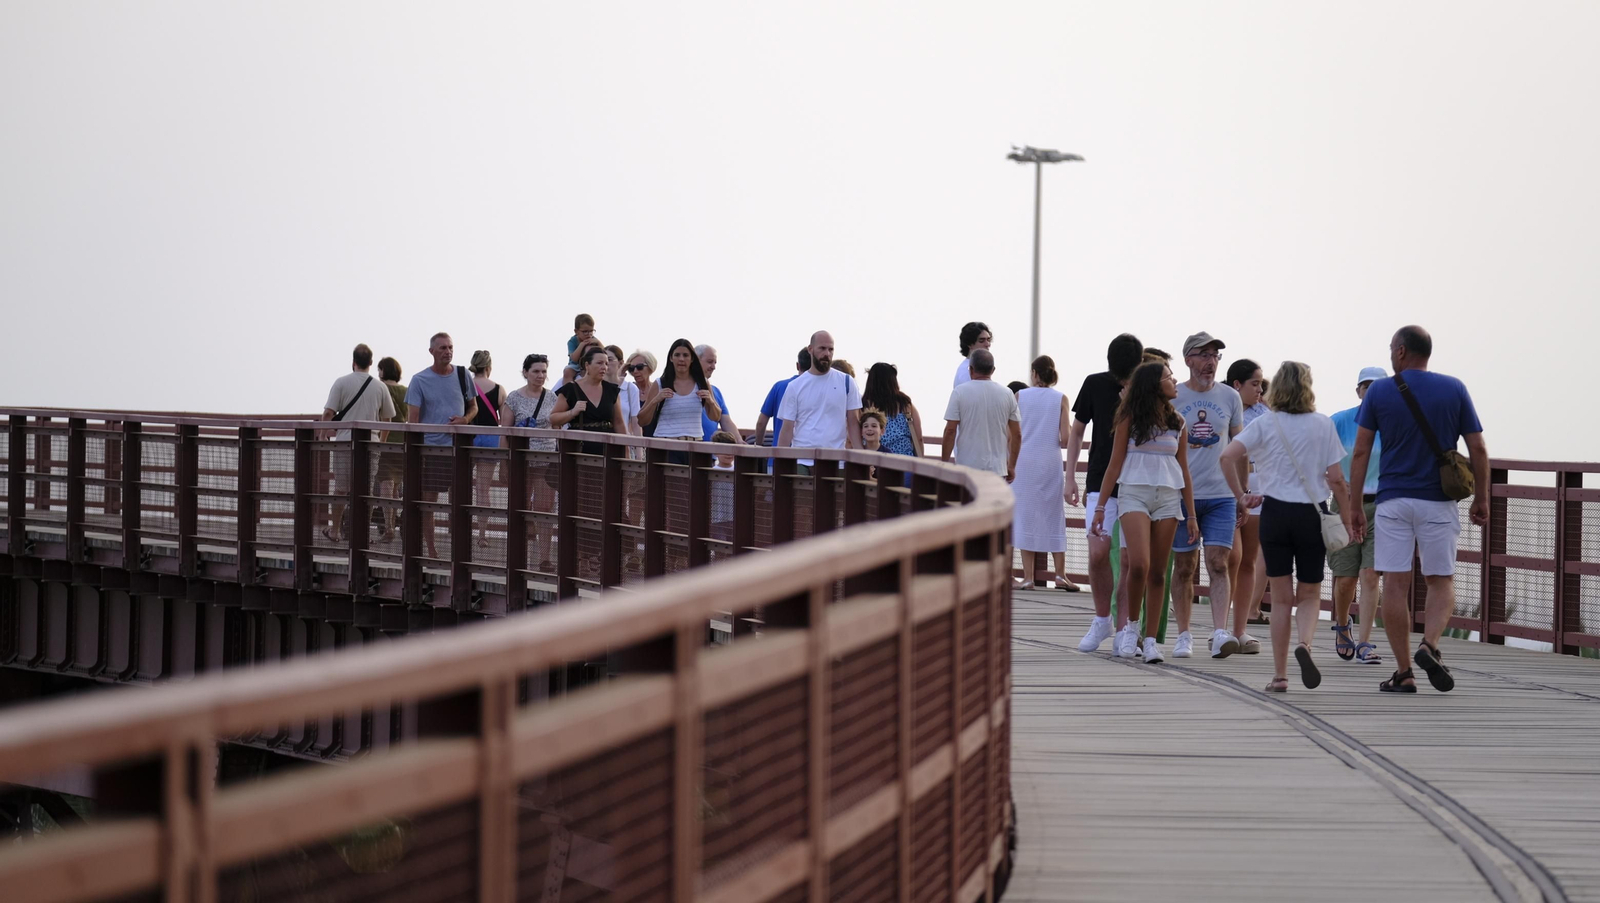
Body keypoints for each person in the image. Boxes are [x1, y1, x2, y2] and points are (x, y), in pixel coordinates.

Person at [1348, 326, 1489, 694]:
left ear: (1400, 352)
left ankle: (1404, 671)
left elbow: (1361, 450)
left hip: (1393, 500)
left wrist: (1354, 506)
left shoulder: (1379, 391)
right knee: (1440, 580)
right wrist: (1482, 497)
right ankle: (1430, 645)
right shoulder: (1454, 388)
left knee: (1395, 583)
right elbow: (1478, 449)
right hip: (1438, 501)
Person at [1222, 361, 1356, 693]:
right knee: (1309, 593)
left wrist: (1242, 495)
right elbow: (1337, 480)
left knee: (1280, 599)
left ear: (1276, 388)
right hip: (1312, 514)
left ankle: (1280, 676)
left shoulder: (1266, 424)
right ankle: (1306, 645)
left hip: (1275, 514)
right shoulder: (1323, 425)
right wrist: (1351, 518)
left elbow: (1228, 456)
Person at [1089, 359, 1196, 664]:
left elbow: (1184, 470)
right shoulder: (1130, 419)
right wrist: (1100, 507)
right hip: (1134, 493)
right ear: (1154, 385)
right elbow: (1114, 464)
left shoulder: (1179, 422)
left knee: (1160, 572)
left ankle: (1150, 641)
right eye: (1168, 377)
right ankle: (1130, 629)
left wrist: (1192, 516)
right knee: (1139, 565)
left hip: (1167, 497)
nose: (1175, 381)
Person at [1169, 331, 1248, 660]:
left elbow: (1240, 449)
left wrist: (1242, 493)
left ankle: (1219, 632)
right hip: (1181, 495)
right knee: (1185, 566)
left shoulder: (1231, 397)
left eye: (1214, 355)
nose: (1210, 361)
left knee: (1219, 563)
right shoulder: (1172, 396)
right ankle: (1184, 634)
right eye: (1202, 355)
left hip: (1221, 495)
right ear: (1188, 359)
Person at [1064, 334, 1144, 652]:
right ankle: (1102, 620)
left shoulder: (1146, 392)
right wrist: (1070, 476)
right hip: (1099, 480)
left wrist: (1133, 399)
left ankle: (1125, 628)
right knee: (1098, 553)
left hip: (1137, 482)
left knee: (1128, 558)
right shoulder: (1094, 383)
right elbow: (1077, 431)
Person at [1328, 366, 1389, 665]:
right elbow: (1319, 458)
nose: (1371, 392)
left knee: (1370, 574)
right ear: (1358, 391)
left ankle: (1365, 641)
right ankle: (1342, 625)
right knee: (1345, 578)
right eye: (1366, 387)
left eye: (1378, 387)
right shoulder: (1339, 421)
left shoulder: (1393, 423)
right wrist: (1337, 482)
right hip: (1345, 504)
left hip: (1381, 505)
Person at [406, 332, 479, 558]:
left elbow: (474, 407)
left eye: (450, 347)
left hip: (459, 449)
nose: (447, 352)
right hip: (432, 450)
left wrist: (465, 420)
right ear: (431, 352)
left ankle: (460, 550)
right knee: (429, 502)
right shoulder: (419, 380)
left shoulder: (462, 374)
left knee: (461, 503)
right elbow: (413, 421)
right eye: (442, 348)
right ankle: (431, 549)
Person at [1012, 356, 1078, 591]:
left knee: (1026, 515)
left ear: (1034, 374)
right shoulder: (1060, 398)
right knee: (1053, 515)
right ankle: (1060, 574)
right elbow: (1067, 438)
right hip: (1049, 461)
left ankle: (1028, 577)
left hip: (1024, 461)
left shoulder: (1020, 396)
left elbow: (1014, 433)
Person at [321, 343, 396, 542]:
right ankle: (361, 533)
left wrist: (321, 434)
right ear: (371, 363)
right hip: (370, 444)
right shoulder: (380, 387)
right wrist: (381, 441)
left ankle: (336, 530)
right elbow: (387, 420)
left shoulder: (341, 382)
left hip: (345, 442)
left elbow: (329, 413)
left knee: (341, 488)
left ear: (353, 361)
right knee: (366, 491)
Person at [1222, 359, 1267, 655]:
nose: (1260, 390)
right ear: (1237, 385)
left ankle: (1240, 629)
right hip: (1224, 490)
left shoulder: (1266, 414)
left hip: (1257, 490)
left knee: (1248, 559)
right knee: (1228, 559)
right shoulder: (1222, 406)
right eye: (1255, 384)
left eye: (1262, 384)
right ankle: (1221, 627)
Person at [502, 353, 557, 570]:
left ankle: (545, 558)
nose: (540, 375)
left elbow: (559, 426)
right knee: (520, 508)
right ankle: (518, 555)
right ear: (525, 372)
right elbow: (504, 432)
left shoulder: (552, 398)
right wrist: (504, 463)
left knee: (545, 509)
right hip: (521, 460)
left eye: (543, 371)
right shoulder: (514, 398)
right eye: (535, 371)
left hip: (546, 460)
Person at [777, 331, 863, 471]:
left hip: (836, 461)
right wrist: (780, 462)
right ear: (810, 349)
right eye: (822, 348)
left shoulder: (847, 382)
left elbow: (853, 422)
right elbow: (787, 428)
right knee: (801, 493)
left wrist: (861, 456)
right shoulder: (795, 386)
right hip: (802, 460)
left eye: (830, 349)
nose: (827, 354)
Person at [940, 349, 1021, 480]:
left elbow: (950, 430)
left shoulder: (959, 392)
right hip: (997, 470)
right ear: (993, 370)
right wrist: (1011, 466)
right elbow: (1017, 434)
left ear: (971, 369)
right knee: (993, 501)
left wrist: (944, 463)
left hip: (967, 468)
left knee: (969, 501)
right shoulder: (1007, 394)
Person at [639, 340, 721, 448]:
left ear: (692, 359)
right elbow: (641, 420)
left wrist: (710, 401)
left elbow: (716, 416)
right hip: (666, 445)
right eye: (677, 355)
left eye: (685, 355)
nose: (681, 359)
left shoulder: (702, 383)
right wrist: (655, 401)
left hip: (694, 445)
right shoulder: (660, 383)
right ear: (671, 358)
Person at [551, 344, 625, 455]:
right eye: (599, 363)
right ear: (587, 365)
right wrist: (572, 412)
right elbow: (553, 418)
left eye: (606, 364)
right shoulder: (571, 389)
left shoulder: (611, 390)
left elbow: (618, 423)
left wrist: (626, 451)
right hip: (578, 449)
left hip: (607, 449)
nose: (604, 367)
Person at [467, 350, 505, 548]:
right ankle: (482, 535)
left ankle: (461, 529)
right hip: (491, 438)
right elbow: (505, 419)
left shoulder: (465, 386)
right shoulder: (498, 389)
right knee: (483, 490)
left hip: (468, 437)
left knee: (460, 486)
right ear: (489, 366)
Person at [373, 356, 408, 541]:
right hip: (402, 442)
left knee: (386, 485)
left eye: (379, 369)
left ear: (383, 371)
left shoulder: (380, 389)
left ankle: (389, 528)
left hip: (385, 440)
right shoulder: (405, 390)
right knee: (395, 487)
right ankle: (392, 525)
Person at [861, 362, 923, 458]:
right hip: (905, 462)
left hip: (874, 462)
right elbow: (918, 438)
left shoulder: (864, 405)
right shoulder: (905, 404)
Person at [755, 348, 810, 448]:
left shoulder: (779, 387)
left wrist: (758, 446)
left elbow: (761, 422)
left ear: (798, 365)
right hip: (807, 456)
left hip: (778, 455)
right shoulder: (817, 389)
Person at [695, 345, 740, 440]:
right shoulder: (683, 389)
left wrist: (739, 441)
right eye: (709, 362)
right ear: (696, 361)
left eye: (715, 363)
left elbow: (726, 422)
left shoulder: (716, 392)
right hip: (687, 449)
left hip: (711, 452)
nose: (713, 367)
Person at [606, 344, 642, 439]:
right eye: (603, 360)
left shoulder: (631, 388)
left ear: (620, 363)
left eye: (610, 360)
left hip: (624, 442)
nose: (606, 364)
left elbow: (636, 423)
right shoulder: (597, 387)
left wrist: (639, 451)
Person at [953, 321, 993, 387]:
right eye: (981, 341)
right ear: (969, 344)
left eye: (988, 340)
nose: (987, 344)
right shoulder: (965, 371)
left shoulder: (978, 366)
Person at [564, 313, 596, 384]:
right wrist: (582, 345)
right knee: (567, 372)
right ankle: (568, 391)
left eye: (591, 331)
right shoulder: (572, 341)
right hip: (575, 365)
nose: (589, 334)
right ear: (576, 331)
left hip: (588, 365)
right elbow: (574, 359)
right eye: (585, 331)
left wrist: (598, 343)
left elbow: (604, 352)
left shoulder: (593, 339)